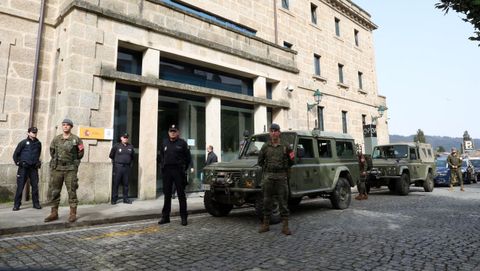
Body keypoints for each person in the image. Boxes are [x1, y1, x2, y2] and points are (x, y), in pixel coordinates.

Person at [44, 119, 84, 223]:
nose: (65, 127)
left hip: (70, 169)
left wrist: (74, 164)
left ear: (71, 127)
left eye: (67, 125)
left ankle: (72, 213)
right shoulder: (56, 139)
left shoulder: (76, 139)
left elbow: (81, 153)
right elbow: (52, 151)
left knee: (72, 191)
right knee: (55, 191)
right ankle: (54, 213)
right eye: (64, 125)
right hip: (57, 169)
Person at [258, 123, 294, 235]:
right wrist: (268, 170)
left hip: (281, 177)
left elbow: (292, 160)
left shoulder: (286, 146)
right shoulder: (265, 146)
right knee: (266, 201)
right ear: (270, 132)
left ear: (279, 132)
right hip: (268, 177)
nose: (273, 133)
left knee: (283, 202)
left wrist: (284, 169)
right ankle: (266, 224)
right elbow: (260, 161)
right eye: (271, 131)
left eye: (275, 131)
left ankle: (285, 226)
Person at [158, 124, 192, 226]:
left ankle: (183, 217)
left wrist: (183, 169)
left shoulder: (182, 143)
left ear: (178, 132)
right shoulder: (164, 142)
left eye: (174, 131)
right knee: (167, 195)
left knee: (181, 195)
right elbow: (161, 156)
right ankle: (165, 217)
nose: (172, 133)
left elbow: (188, 158)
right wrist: (162, 167)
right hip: (167, 171)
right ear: (168, 132)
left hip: (178, 171)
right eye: (171, 131)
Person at [12, 127, 42, 211]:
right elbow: (15, 155)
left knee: (35, 186)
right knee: (20, 186)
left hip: (33, 168)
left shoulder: (38, 143)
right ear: (28, 133)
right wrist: (19, 163)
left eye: (35, 132)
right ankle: (17, 205)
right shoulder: (23, 143)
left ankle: (36, 203)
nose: (34, 134)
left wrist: (38, 162)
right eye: (32, 132)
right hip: (23, 168)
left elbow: (38, 154)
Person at [109, 132, 134, 205]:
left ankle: (125, 199)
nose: (125, 139)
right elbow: (111, 155)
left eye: (126, 137)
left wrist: (129, 164)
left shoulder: (130, 147)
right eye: (124, 137)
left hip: (127, 167)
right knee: (116, 183)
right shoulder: (116, 146)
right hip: (118, 167)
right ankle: (114, 199)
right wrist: (117, 162)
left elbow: (132, 157)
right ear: (121, 138)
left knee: (126, 184)